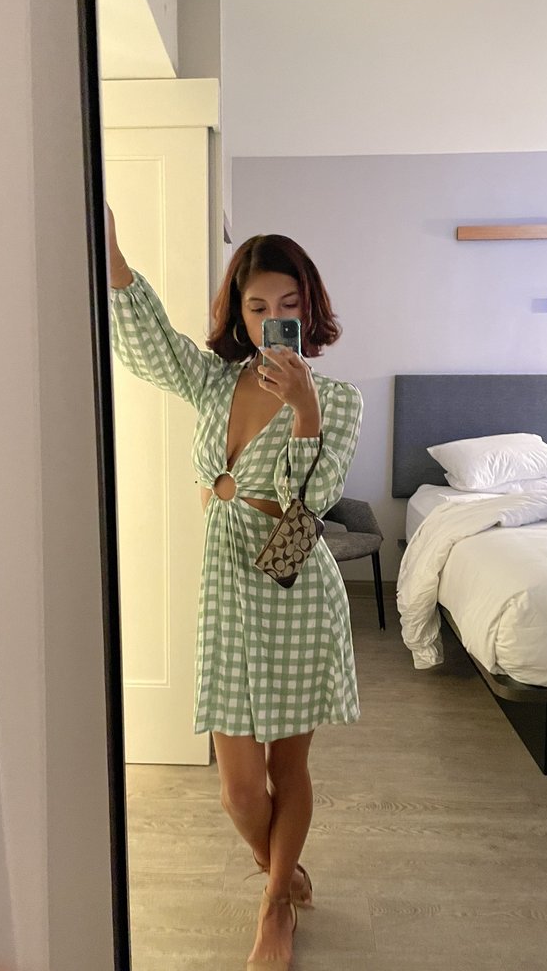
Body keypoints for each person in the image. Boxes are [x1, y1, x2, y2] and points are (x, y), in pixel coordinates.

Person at [107, 206, 362, 971]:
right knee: (239, 791)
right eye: (257, 307)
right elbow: (151, 344)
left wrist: (304, 411)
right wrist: (112, 255)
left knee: (288, 770)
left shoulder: (338, 400)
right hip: (225, 590)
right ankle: (278, 869)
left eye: (288, 304)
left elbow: (313, 503)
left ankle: (276, 906)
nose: (273, 319)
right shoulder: (214, 382)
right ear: (239, 315)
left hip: (293, 593)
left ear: (308, 310)